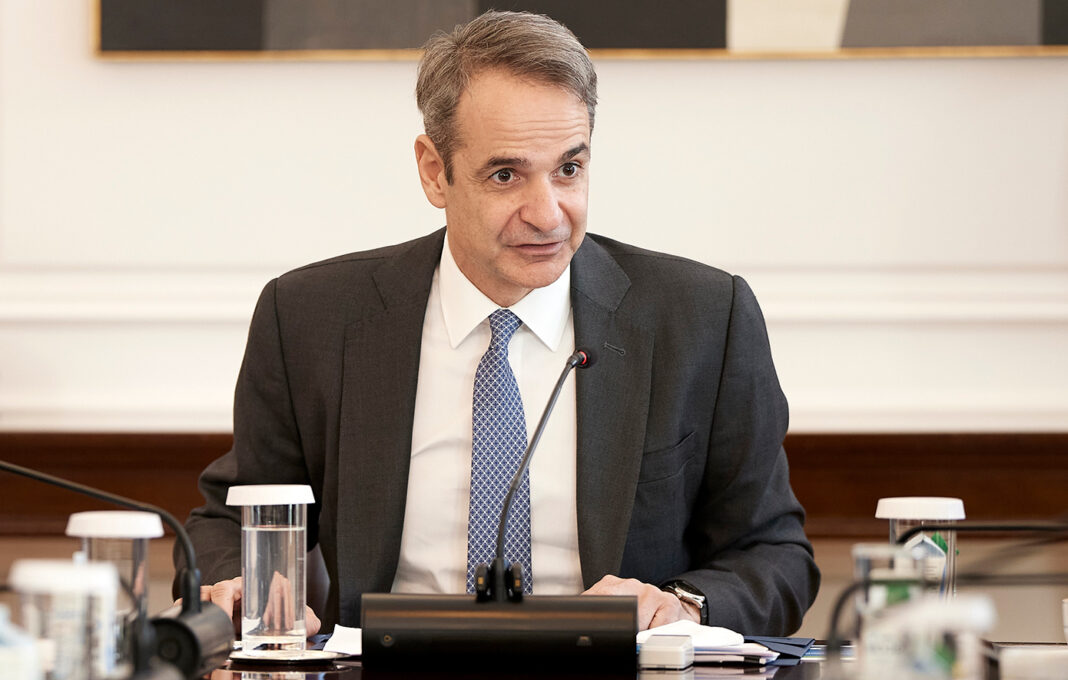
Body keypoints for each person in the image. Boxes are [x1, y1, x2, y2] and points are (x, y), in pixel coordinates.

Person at [177, 10, 819, 636]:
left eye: (569, 169)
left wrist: (682, 606)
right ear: (435, 172)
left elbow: (775, 555)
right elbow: (231, 521)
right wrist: (239, 584)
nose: (548, 214)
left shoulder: (702, 317)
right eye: (506, 174)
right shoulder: (313, 317)